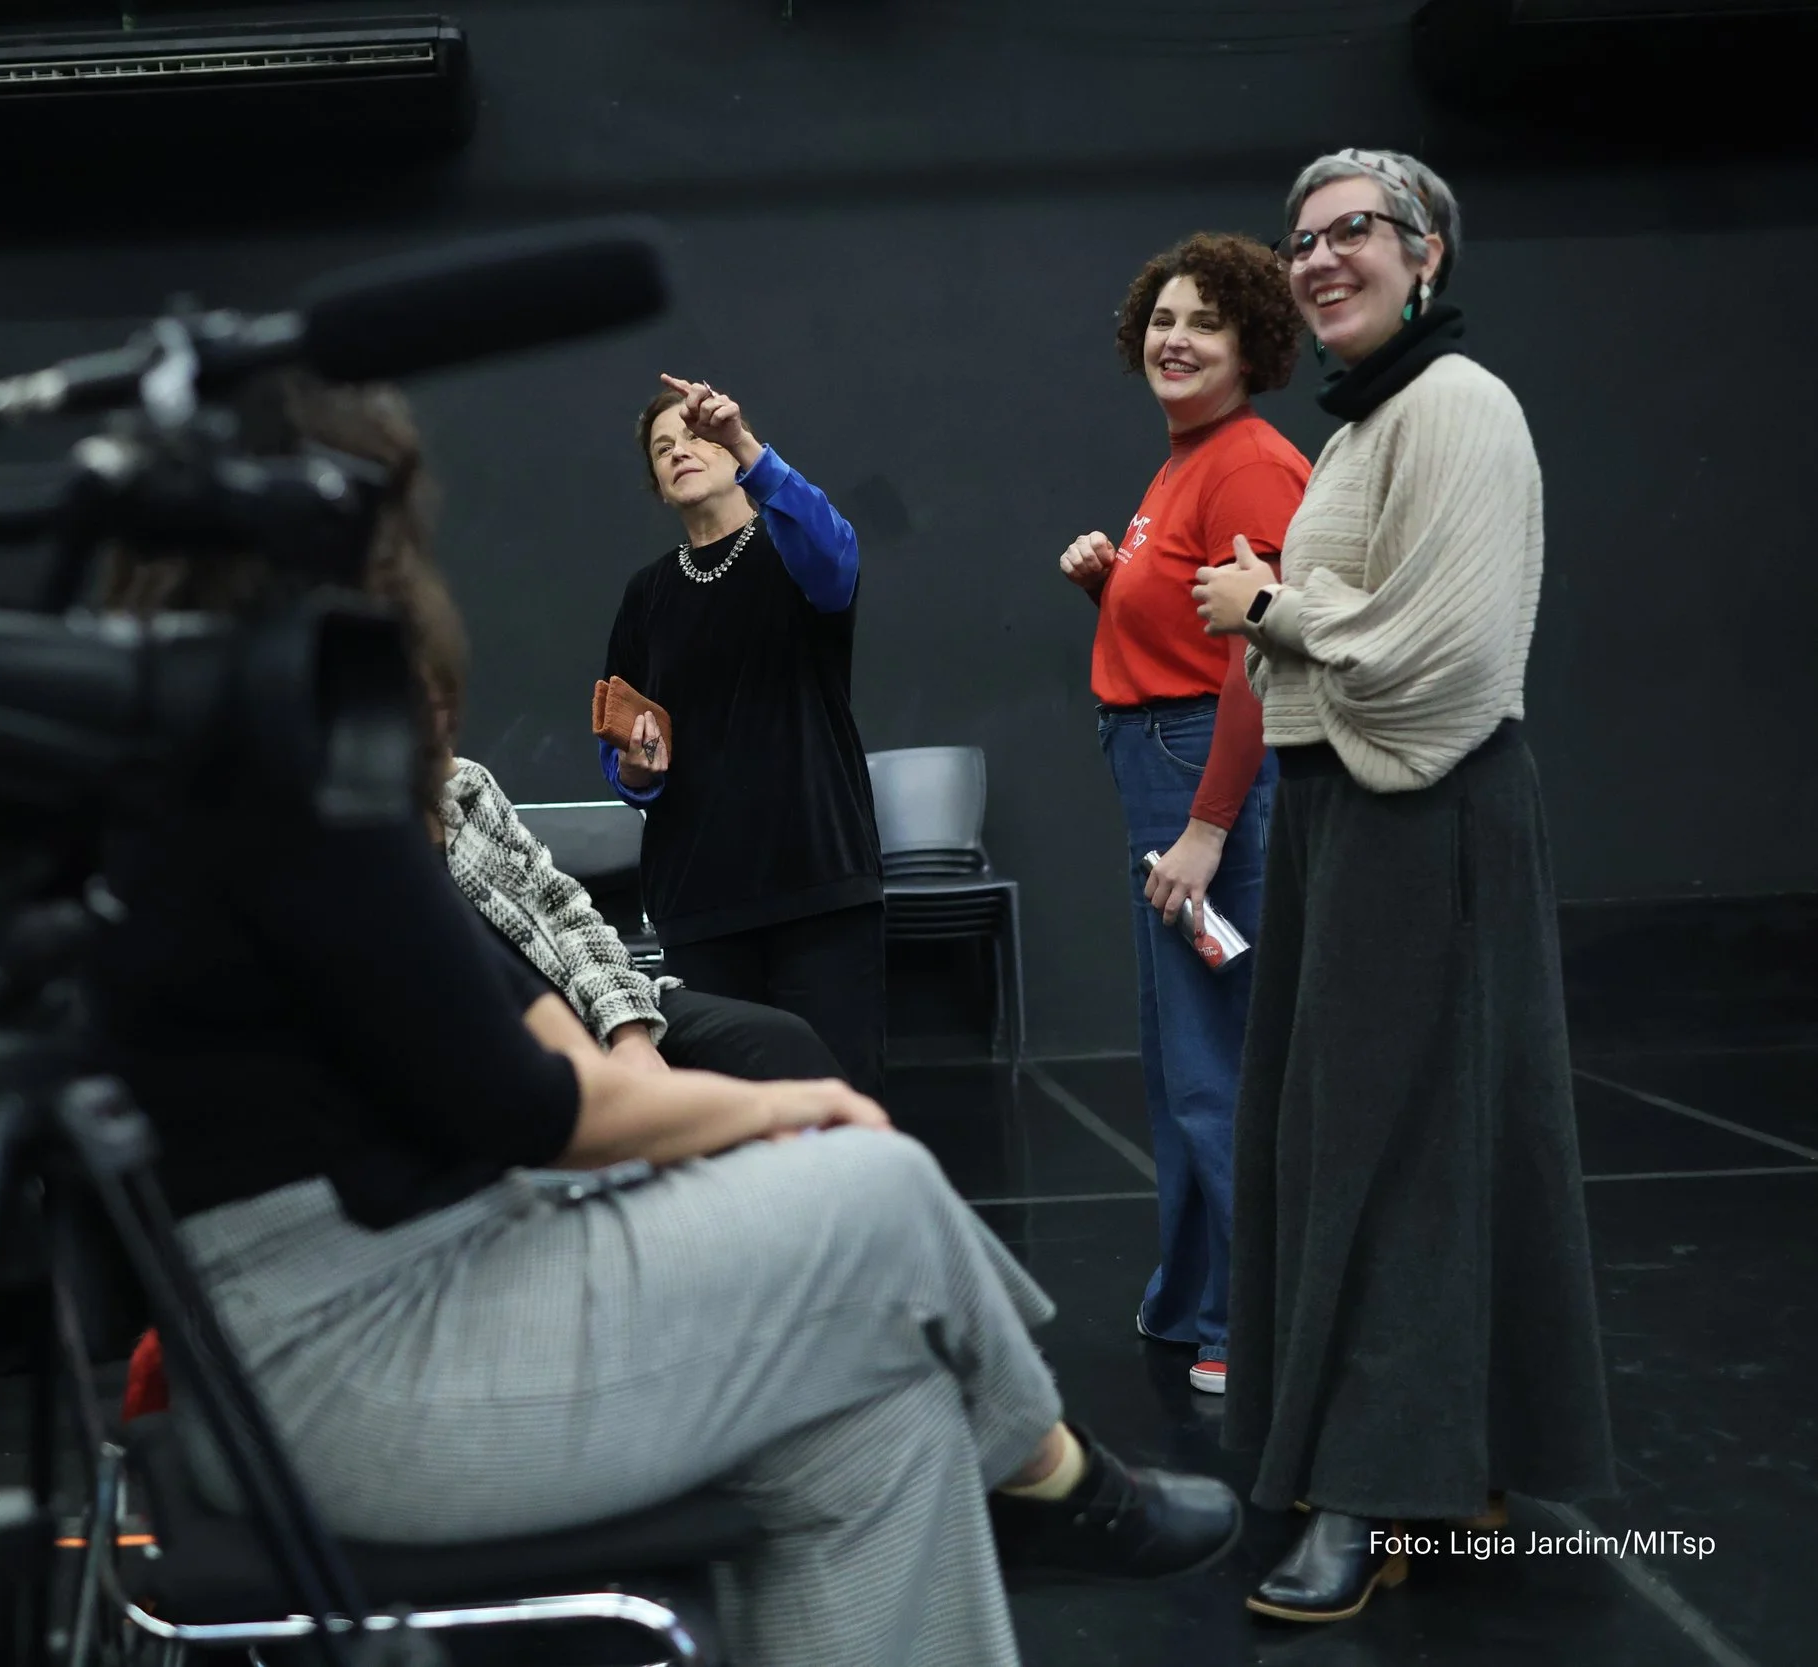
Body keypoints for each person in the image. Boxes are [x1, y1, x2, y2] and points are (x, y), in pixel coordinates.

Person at [93, 372, 1243, 1667]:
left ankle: (1008, 1462)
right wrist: (788, 1107)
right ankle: (1051, 1466)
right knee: (875, 1182)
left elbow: (512, 1009)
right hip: (354, 1366)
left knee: (881, 1425)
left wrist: (662, 1075)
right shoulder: (289, 776)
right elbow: (531, 1100)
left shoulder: (217, 760)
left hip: (408, 1285)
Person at [1191, 149, 1615, 1622]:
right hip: (1344, 816)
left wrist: (1274, 609)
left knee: (1394, 1151)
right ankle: (1450, 1460)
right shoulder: (1375, 421)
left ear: (1426, 253)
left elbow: (1449, 658)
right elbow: (1355, 629)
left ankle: (1374, 1488)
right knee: (1378, 1136)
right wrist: (1283, 617)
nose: (1316, 258)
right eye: (1300, 240)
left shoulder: (1458, 405)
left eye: (1352, 232)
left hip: (1417, 808)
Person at [1057, 233, 1311, 1397]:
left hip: (1195, 772)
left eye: (1205, 321)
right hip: (1159, 760)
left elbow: (1258, 659)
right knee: (1178, 1062)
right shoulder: (1184, 463)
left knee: (1218, 1061)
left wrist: (1208, 825)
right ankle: (1189, 1297)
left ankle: (1242, 1321)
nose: (1176, 337)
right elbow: (1195, 620)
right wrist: (1115, 585)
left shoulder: (1249, 463)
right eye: (1163, 317)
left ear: (1250, 343)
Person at [414, 595, 842, 1082]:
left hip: (589, 1003)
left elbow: (566, 915)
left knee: (780, 1042)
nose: (442, 729)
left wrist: (629, 1033)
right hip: (506, 1049)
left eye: (446, 706)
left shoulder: (468, 788)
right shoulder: (352, 847)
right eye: (420, 711)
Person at [600, 376, 886, 1097]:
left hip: (816, 882)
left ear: (733, 454)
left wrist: (746, 441)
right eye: (663, 449)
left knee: (839, 1106)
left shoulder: (792, 550)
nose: (679, 452)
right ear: (659, 486)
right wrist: (636, 766)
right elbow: (622, 748)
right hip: (698, 898)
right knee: (729, 1120)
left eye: (694, 437)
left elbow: (836, 552)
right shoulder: (647, 593)